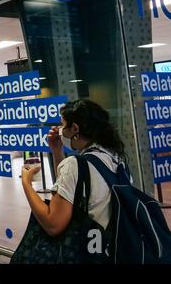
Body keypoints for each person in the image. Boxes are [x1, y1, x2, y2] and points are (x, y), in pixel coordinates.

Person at [21, 99, 126, 236]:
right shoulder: (114, 157)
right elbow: (71, 188)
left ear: (75, 129)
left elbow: (53, 225)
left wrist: (26, 184)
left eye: (63, 125)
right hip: (116, 246)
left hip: (91, 251)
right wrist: (57, 151)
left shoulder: (75, 164)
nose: (60, 131)